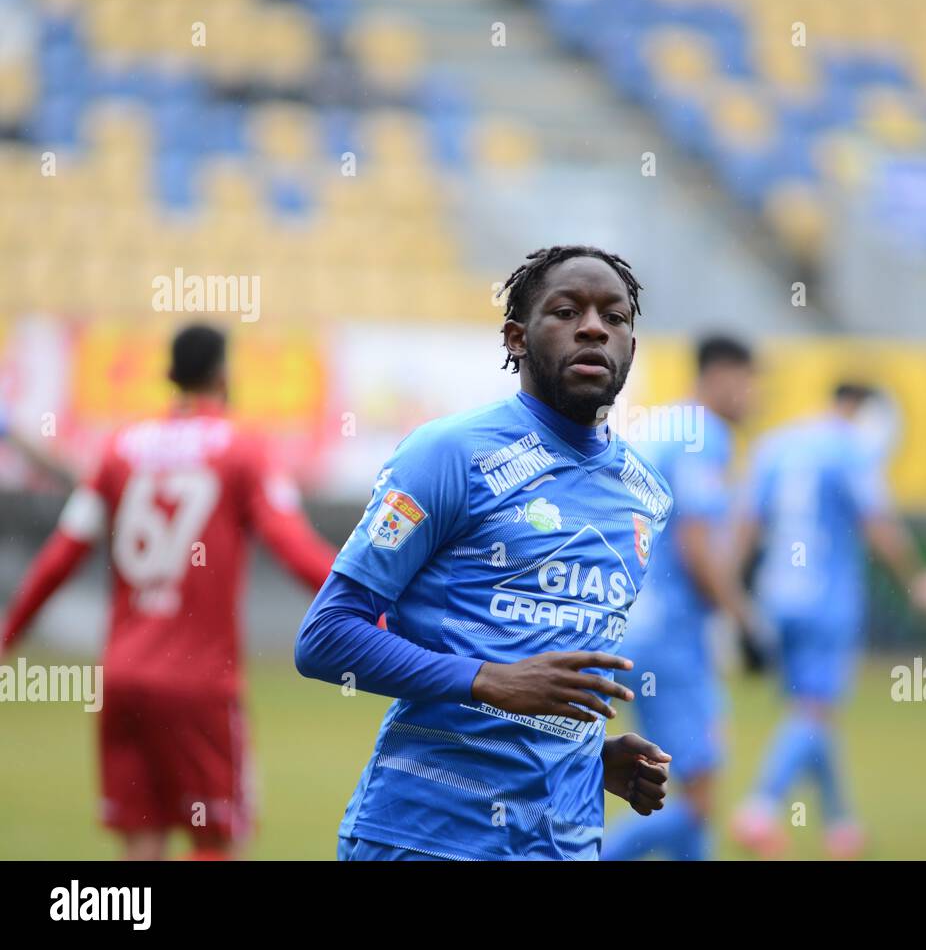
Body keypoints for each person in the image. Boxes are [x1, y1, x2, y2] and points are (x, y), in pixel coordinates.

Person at [296, 246, 674, 861]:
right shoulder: (448, 454)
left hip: (565, 843)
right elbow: (327, 637)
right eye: (566, 310)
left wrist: (590, 754)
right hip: (427, 838)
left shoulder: (645, 494)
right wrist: (488, 681)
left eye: (615, 316)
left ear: (631, 344)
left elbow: (535, 668)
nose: (593, 327)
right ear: (516, 338)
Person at [1, 324, 338, 859]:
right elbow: (295, 551)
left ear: (169, 377)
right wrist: (377, 612)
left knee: (141, 841)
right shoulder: (241, 449)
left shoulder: (119, 449)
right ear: (224, 374)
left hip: (122, 677)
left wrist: (9, 632)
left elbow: (61, 555)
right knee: (215, 840)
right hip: (199, 684)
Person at [728, 382, 926, 858]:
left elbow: (747, 525)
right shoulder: (851, 450)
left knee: (811, 714)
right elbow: (879, 525)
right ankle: (759, 808)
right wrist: (917, 582)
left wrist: (732, 596)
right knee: (813, 711)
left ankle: (841, 825)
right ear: (859, 409)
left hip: (777, 595)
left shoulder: (777, 444)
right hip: (825, 600)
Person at [602, 334, 759, 860]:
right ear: (721, 376)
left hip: (623, 624)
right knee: (697, 792)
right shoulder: (703, 434)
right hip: (667, 634)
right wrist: (743, 618)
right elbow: (695, 543)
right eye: (749, 383)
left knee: (670, 781)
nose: (753, 398)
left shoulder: (658, 425)